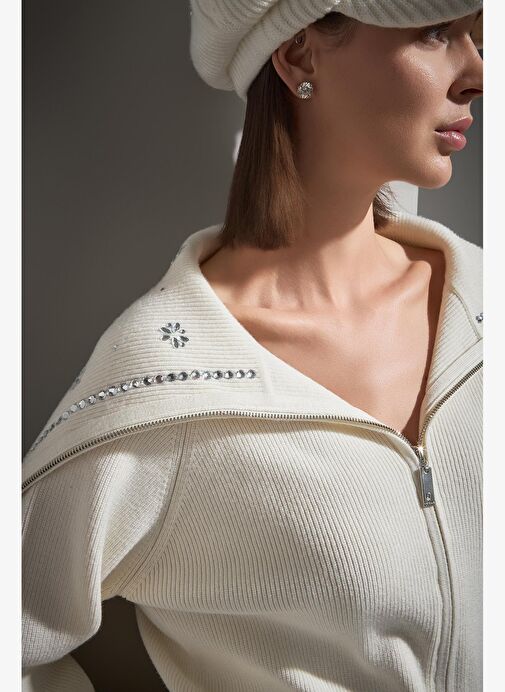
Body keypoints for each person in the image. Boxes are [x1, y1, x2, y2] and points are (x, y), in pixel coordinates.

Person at [22, 1, 484, 690]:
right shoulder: (169, 383)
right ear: (298, 54)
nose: (478, 73)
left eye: (475, 33)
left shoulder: (481, 305)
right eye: (435, 32)